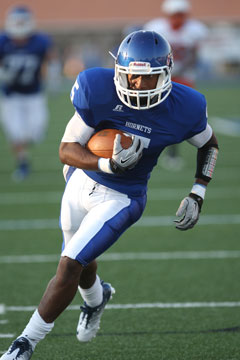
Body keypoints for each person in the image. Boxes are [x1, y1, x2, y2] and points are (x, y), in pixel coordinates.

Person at [1, 30, 219, 359]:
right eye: (131, 77)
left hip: (124, 197)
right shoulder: (97, 88)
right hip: (81, 180)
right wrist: (106, 163)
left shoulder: (187, 105)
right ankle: (96, 298)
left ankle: (25, 343)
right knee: (80, 258)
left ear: (166, 73)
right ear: (120, 71)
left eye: (147, 79)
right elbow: (66, 149)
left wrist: (197, 191)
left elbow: (210, 146)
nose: (137, 85)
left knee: (69, 264)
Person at [144, 0, 209, 170]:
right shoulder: (157, 28)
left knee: (181, 113)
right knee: (153, 110)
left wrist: (182, 67)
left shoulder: (194, 30)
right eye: (174, 15)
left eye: (180, 15)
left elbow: (195, 54)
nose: (177, 19)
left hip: (185, 76)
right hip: (162, 77)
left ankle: (174, 153)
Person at [0, 5, 53, 181]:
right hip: (11, 96)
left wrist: (52, 80)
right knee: (16, 132)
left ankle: (25, 144)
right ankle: (22, 163)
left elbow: (50, 61)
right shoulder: (3, 41)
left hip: (34, 94)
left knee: (35, 132)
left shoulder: (40, 41)